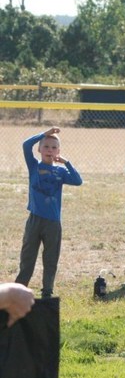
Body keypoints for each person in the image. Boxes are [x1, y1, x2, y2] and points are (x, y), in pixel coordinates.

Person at [15, 127, 83, 298]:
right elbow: (25, 145)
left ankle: (47, 291)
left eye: (54, 147)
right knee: (28, 257)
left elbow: (77, 181)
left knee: (51, 258)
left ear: (58, 151)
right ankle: (19, 289)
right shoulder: (34, 166)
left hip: (53, 222)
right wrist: (44, 133)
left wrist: (66, 163)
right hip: (35, 219)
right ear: (39, 149)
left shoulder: (60, 172)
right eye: (46, 146)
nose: (49, 150)